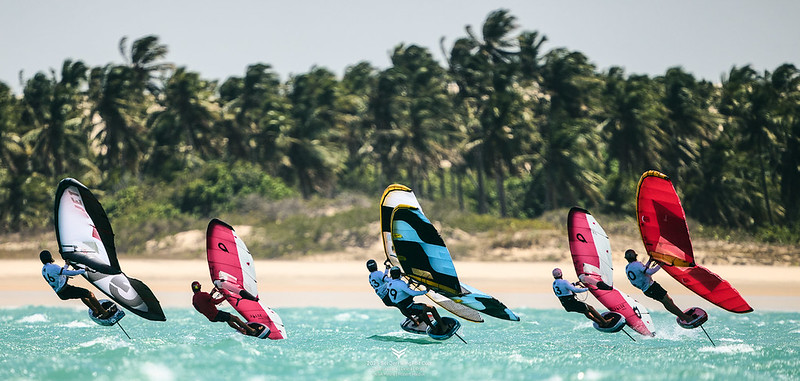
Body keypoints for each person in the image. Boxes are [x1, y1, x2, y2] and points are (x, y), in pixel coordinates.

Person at [624, 249, 694, 323]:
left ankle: (682, 316)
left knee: (667, 301)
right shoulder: (636, 264)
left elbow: (643, 271)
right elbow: (650, 272)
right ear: (636, 256)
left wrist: (649, 261)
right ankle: (686, 318)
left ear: (626, 259)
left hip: (647, 290)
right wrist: (661, 264)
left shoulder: (628, 267)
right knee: (668, 302)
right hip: (651, 287)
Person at [40, 250, 112, 319]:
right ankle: (104, 312)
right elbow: (70, 273)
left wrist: (66, 265)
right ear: (50, 257)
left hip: (60, 293)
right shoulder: (53, 267)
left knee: (83, 295)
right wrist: (84, 270)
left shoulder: (43, 270)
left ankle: (95, 310)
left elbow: (59, 274)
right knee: (90, 294)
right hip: (66, 290)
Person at [385, 266, 448, 334]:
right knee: (431, 308)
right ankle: (443, 327)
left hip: (403, 308)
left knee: (422, 312)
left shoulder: (389, 283)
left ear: (391, 275)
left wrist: (408, 284)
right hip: (410, 308)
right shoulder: (401, 283)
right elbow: (412, 293)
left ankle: (433, 328)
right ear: (399, 274)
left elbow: (399, 290)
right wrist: (425, 291)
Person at [191, 281, 257, 336]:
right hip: (216, 314)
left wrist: (211, 294)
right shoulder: (204, 294)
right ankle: (252, 330)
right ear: (200, 287)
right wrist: (225, 297)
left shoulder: (194, 300)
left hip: (211, 318)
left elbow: (202, 308)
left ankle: (241, 330)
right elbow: (216, 302)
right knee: (236, 318)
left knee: (228, 319)